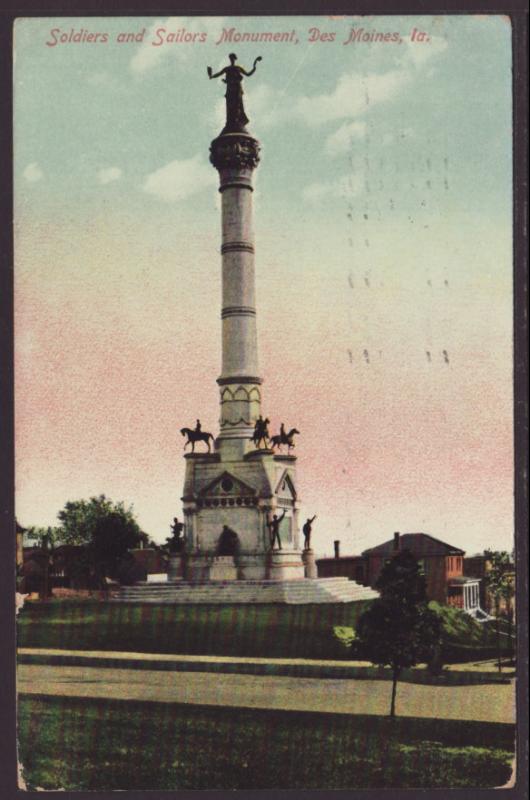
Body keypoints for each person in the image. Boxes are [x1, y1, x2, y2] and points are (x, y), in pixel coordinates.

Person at [207, 53, 262, 132]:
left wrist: (254, 65)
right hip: (230, 89)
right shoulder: (227, 69)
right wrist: (212, 76)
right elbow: (219, 74)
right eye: (231, 58)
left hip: (237, 89)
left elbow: (248, 74)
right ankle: (231, 121)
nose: (232, 60)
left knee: (238, 104)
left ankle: (238, 121)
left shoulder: (238, 68)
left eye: (233, 58)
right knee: (230, 104)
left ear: (235, 59)